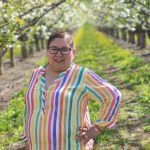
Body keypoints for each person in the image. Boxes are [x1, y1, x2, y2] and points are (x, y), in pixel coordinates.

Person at [21, 31, 122, 150]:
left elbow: (113, 96)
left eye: (65, 49)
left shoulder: (82, 75)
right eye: (54, 49)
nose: (59, 54)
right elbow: (29, 108)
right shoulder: (36, 73)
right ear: (47, 51)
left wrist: (97, 128)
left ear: (73, 52)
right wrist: (28, 139)